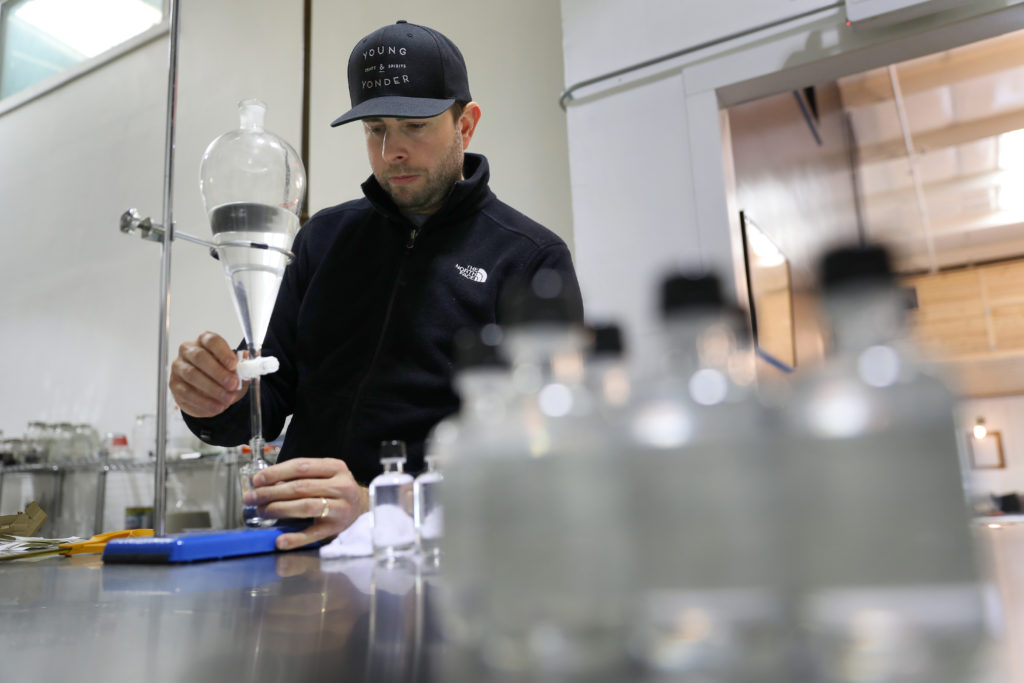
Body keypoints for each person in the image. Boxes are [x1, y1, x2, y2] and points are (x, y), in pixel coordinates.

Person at [169, 20, 583, 550]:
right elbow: (267, 394)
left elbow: (548, 456)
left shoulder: (529, 259)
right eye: (376, 129)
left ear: (467, 124)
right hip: (296, 543)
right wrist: (214, 398)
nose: (392, 152)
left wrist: (375, 504)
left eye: (415, 126)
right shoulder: (322, 238)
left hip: (436, 557)